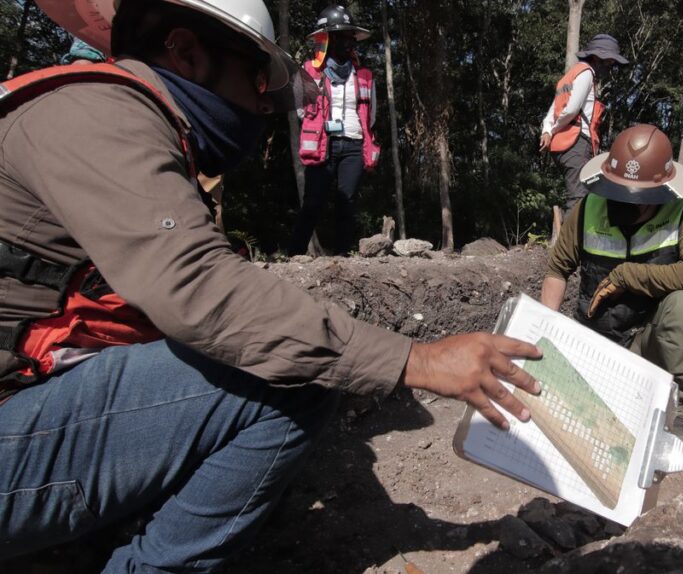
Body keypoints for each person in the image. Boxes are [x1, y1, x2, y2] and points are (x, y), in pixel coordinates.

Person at [0, 0, 541, 570]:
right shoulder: (100, 114)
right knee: (289, 379)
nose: (263, 104)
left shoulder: (113, 117)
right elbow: (200, 289)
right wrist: (419, 360)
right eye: (257, 80)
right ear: (186, 52)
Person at [540, 124, 683, 451]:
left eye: (638, 200)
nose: (625, 204)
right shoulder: (587, 209)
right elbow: (557, 270)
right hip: (598, 342)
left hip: (648, 344)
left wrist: (627, 276)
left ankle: (675, 409)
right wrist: (543, 335)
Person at [287, 5, 380, 256]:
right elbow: (300, 109)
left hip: (353, 144)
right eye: (342, 37)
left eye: (351, 37)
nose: (349, 42)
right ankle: (294, 255)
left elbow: (371, 114)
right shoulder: (309, 72)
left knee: (346, 201)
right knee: (313, 202)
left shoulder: (364, 75)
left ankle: (342, 256)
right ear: (327, 40)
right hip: (322, 144)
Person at [539, 34, 628, 214]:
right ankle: (572, 232)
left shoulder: (569, 77)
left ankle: (570, 228)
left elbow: (553, 110)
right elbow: (571, 110)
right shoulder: (586, 73)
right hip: (576, 142)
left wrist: (547, 131)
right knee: (579, 197)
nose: (611, 66)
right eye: (609, 62)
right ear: (597, 57)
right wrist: (553, 130)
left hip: (564, 144)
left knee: (582, 194)